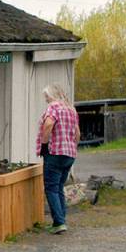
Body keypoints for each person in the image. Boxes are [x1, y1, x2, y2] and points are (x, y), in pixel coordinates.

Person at [37, 83, 80, 234]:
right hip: (69, 154)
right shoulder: (71, 109)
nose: (46, 100)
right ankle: (61, 220)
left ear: (52, 96)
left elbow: (48, 125)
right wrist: (72, 147)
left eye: (46, 97)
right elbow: (77, 134)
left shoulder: (53, 107)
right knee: (59, 187)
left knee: (51, 188)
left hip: (55, 153)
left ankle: (59, 222)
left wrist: (44, 144)